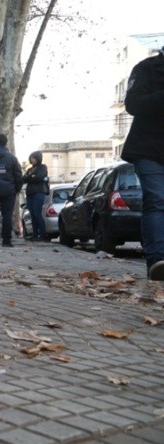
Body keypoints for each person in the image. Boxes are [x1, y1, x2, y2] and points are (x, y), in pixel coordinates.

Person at [120, 47, 164, 280]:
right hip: (149, 149)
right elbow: (133, 104)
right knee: (157, 199)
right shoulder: (146, 68)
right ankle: (157, 260)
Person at [22, 151, 49, 242]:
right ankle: (35, 234)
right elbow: (24, 179)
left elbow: (40, 177)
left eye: (33, 158)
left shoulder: (43, 167)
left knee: (37, 213)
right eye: (31, 158)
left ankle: (42, 235)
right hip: (30, 194)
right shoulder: (29, 169)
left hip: (39, 192)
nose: (32, 159)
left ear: (38, 158)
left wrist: (30, 177)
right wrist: (31, 176)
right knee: (32, 214)